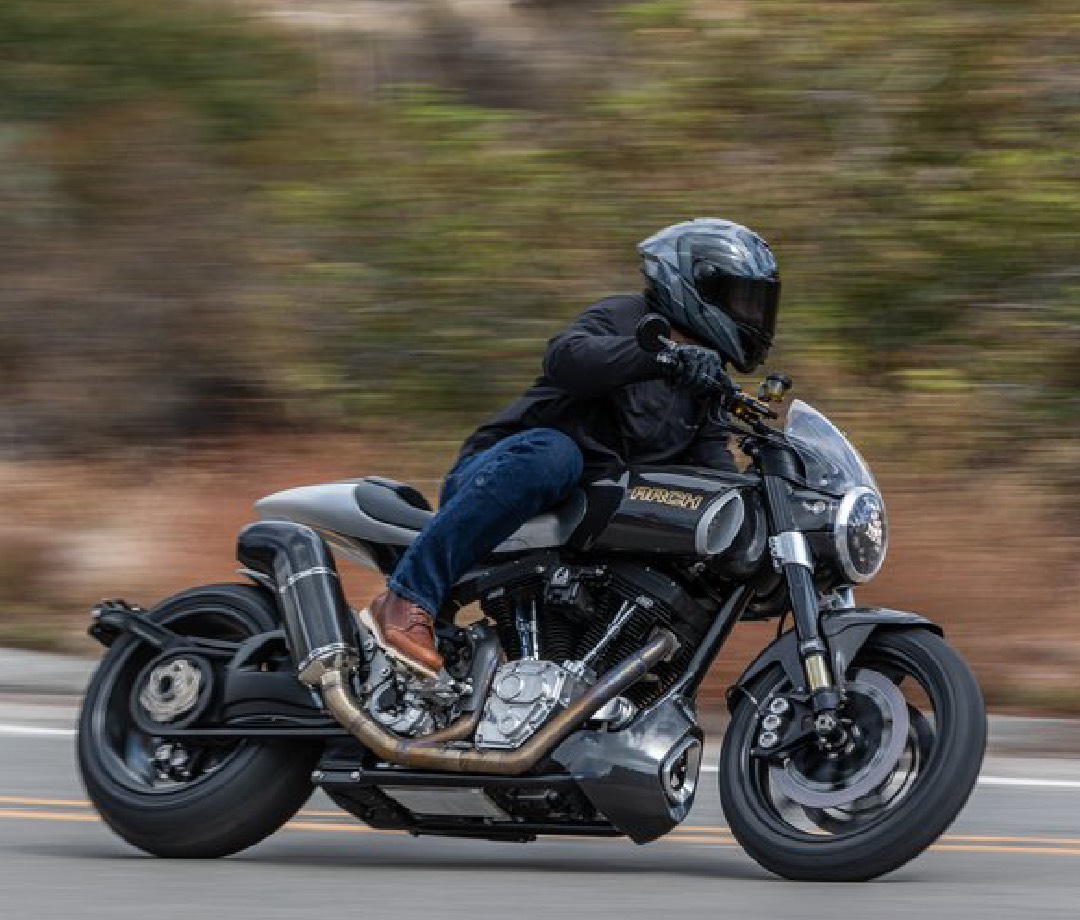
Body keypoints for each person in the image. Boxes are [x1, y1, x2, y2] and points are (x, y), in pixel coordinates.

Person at [360, 218, 781, 677]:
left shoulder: (706, 383)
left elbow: (710, 464)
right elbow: (566, 358)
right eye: (741, 300)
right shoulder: (627, 317)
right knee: (558, 454)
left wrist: (759, 499)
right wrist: (659, 358)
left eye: (756, 303)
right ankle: (407, 597)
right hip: (504, 478)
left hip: (583, 525)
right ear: (699, 286)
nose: (751, 315)